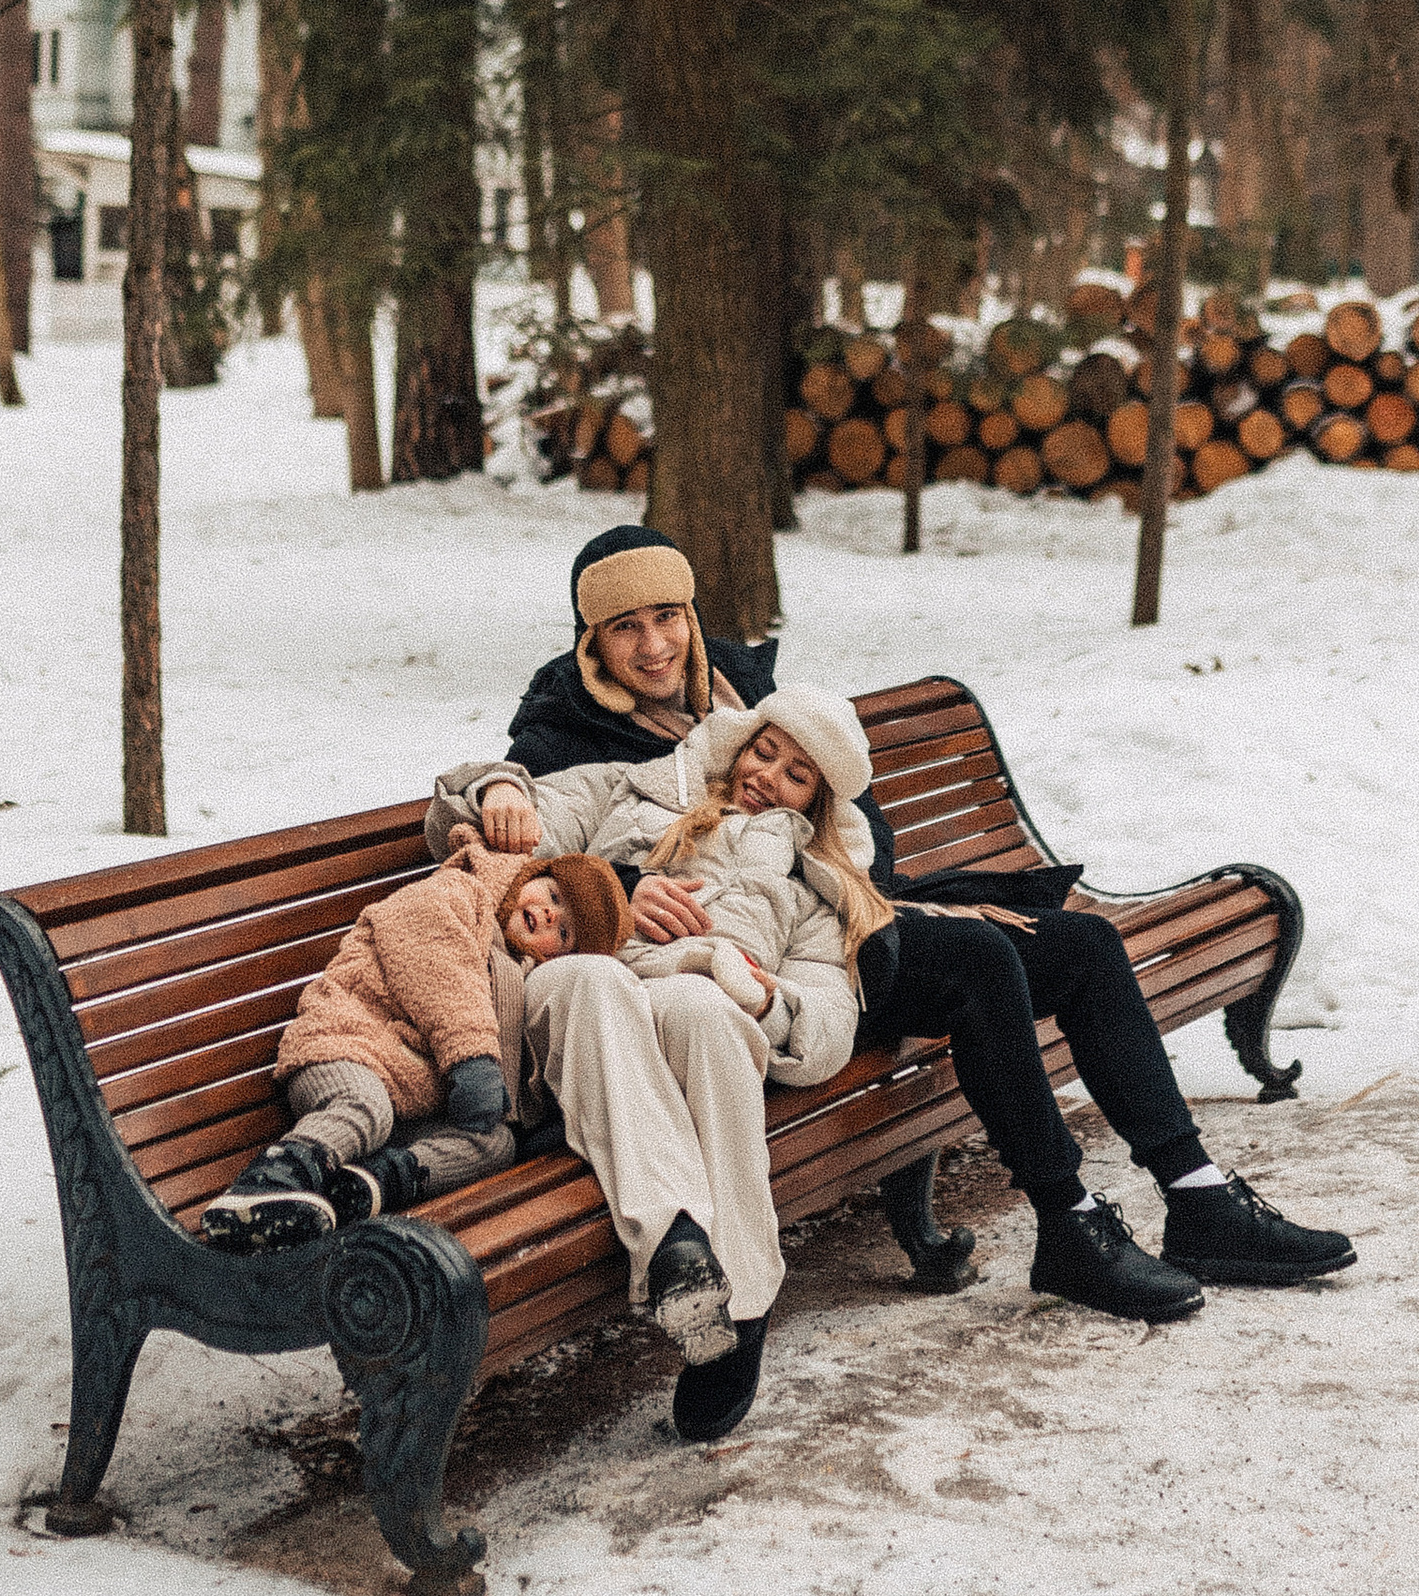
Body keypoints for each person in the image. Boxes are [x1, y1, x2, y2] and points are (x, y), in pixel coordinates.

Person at [500, 525, 1356, 1318]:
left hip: (841, 906)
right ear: (590, 639)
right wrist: (615, 887)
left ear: (689, 614)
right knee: (981, 961)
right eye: (624, 628)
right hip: (770, 966)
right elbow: (536, 848)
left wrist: (876, 879)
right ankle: (1068, 1221)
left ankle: (1197, 1191)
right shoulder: (562, 729)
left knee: (1085, 945)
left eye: (666, 618)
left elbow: (847, 802)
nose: (653, 646)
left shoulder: (734, 681)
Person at [428, 687, 893, 1445]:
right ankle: (677, 1234)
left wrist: (770, 1002)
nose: (768, 775)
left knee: (703, 1006)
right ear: (738, 745)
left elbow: (830, 1026)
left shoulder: (812, 894)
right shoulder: (635, 788)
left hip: (690, 1032)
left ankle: (726, 1303)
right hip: (569, 1022)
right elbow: (479, 816)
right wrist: (519, 802)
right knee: (595, 977)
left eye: (796, 774)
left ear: (817, 806)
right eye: (763, 751)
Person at [201, 839, 630, 1249]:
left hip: (406, 1097)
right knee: (363, 1107)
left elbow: (511, 1078)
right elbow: (438, 964)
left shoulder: (515, 974)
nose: (551, 915)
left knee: (493, 1142)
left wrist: (540, 1120)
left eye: (566, 932)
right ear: (533, 874)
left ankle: (367, 1185)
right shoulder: (460, 891)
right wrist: (475, 1061)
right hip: (347, 1043)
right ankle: (270, 1183)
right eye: (553, 895)